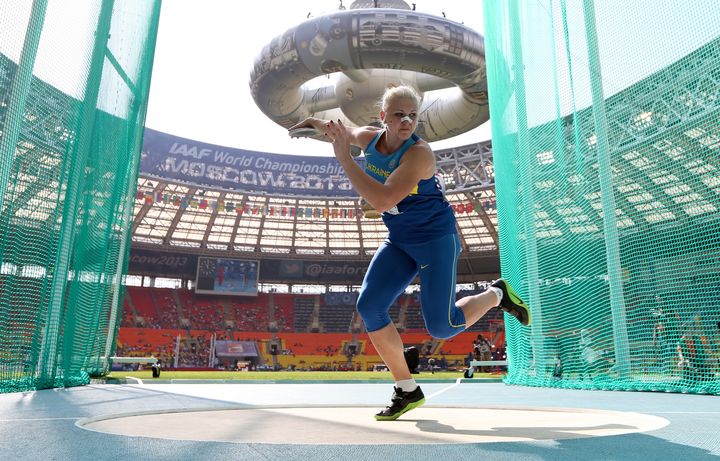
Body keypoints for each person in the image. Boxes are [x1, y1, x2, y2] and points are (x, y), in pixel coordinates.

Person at [289, 84, 531, 421]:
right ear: (383, 117)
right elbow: (340, 130)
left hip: (435, 240)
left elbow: (385, 200)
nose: (406, 121)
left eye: (413, 115)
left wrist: (344, 157)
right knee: (369, 306)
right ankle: (407, 388)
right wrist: (314, 122)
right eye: (399, 114)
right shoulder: (369, 138)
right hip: (400, 239)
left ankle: (496, 294)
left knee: (443, 328)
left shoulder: (420, 154)